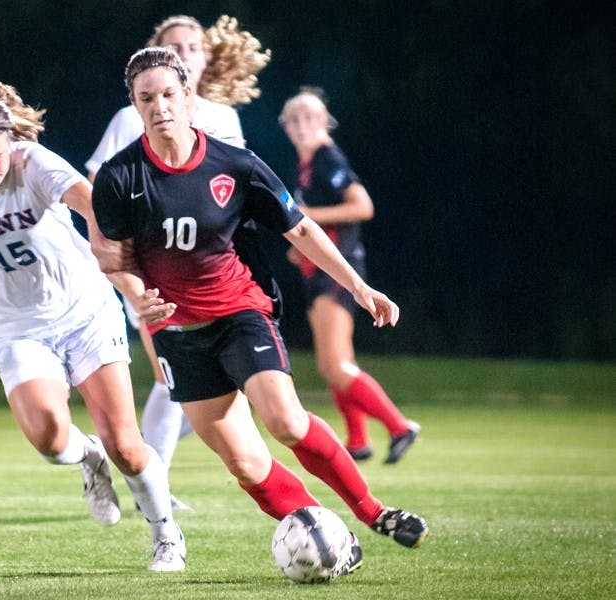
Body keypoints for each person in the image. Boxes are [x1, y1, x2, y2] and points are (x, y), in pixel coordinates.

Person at [91, 48, 429, 566]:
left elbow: (302, 229)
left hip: (240, 313)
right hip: (178, 335)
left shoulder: (234, 164)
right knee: (246, 464)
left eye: (167, 94)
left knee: (286, 421)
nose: (159, 106)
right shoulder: (119, 178)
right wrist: (134, 292)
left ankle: (371, 510)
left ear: (188, 97)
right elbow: (113, 259)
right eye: (146, 98)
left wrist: (360, 288)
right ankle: (334, 538)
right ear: (134, 106)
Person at [0, 82, 185, 572]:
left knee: (129, 450)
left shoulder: (34, 163)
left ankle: (166, 534)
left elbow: (92, 204)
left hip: (85, 312)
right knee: (49, 438)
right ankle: (90, 459)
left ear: (11, 144)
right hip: (16, 328)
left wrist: (129, 276)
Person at [86, 15, 271, 510]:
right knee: (175, 385)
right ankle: (154, 482)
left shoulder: (224, 118)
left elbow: (236, 195)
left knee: (211, 392)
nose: (185, 52)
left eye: (193, 46)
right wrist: (115, 264)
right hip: (151, 279)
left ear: (204, 59)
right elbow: (98, 186)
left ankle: (141, 463)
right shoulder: (137, 115)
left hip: (215, 276)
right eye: (175, 46)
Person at [279, 87, 420, 464]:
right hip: (320, 273)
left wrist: (306, 220)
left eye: (309, 117)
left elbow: (362, 206)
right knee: (336, 361)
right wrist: (301, 246)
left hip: (338, 273)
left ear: (325, 122)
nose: (301, 125)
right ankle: (358, 441)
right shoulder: (306, 166)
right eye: (293, 119)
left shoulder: (328, 158)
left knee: (333, 365)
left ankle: (399, 426)